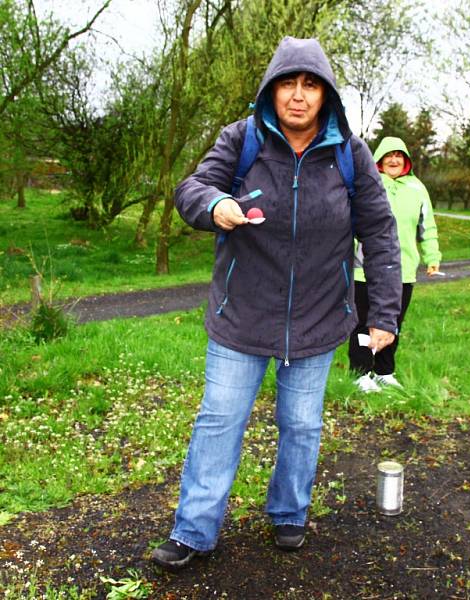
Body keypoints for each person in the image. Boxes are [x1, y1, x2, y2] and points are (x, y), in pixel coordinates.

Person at [151, 37, 402, 571]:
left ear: (326, 95)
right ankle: (193, 531)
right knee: (219, 423)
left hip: (316, 320)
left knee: (303, 425)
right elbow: (191, 188)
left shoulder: (350, 155)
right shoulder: (242, 140)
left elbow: (380, 234)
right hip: (241, 316)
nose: (297, 95)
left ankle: (289, 513)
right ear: (271, 89)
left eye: (310, 85)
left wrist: (384, 313)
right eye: (288, 83)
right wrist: (215, 204)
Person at [348, 136, 441, 392]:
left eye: (399, 156)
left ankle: (384, 371)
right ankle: (361, 372)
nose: (394, 160)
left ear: (406, 160)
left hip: (404, 271)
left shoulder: (418, 188)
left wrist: (433, 257)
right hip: (364, 270)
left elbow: (428, 227)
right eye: (389, 155)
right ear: (378, 159)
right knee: (364, 323)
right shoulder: (369, 183)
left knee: (393, 323)